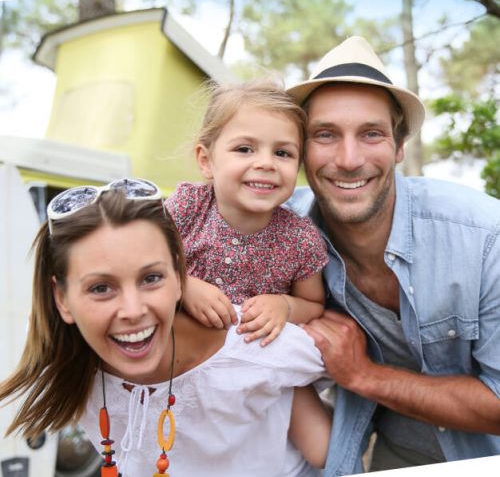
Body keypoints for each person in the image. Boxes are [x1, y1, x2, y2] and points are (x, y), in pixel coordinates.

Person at [0, 178, 331, 477]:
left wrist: (288, 308)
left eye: (151, 278)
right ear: (63, 300)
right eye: (101, 288)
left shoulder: (252, 342)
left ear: (179, 279)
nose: (132, 311)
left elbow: (345, 356)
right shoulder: (60, 355)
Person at [285, 36, 500, 475]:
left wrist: (362, 374)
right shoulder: (280, 234)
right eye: (325, 135)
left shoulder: (484, 238)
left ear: (399, 148)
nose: (348, 159)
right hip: (392, 456)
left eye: (372, 134)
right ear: (300, 150)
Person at [165, 78, 329, 346]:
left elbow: (313, 304)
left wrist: (285, 306)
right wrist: (183, 285)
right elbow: (140, 266)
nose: (266, 163)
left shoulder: (300, 238)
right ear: (206, 161)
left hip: (248, 364)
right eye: (244, 149)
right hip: (177, 354)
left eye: (282, 153)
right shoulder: (188, 206)